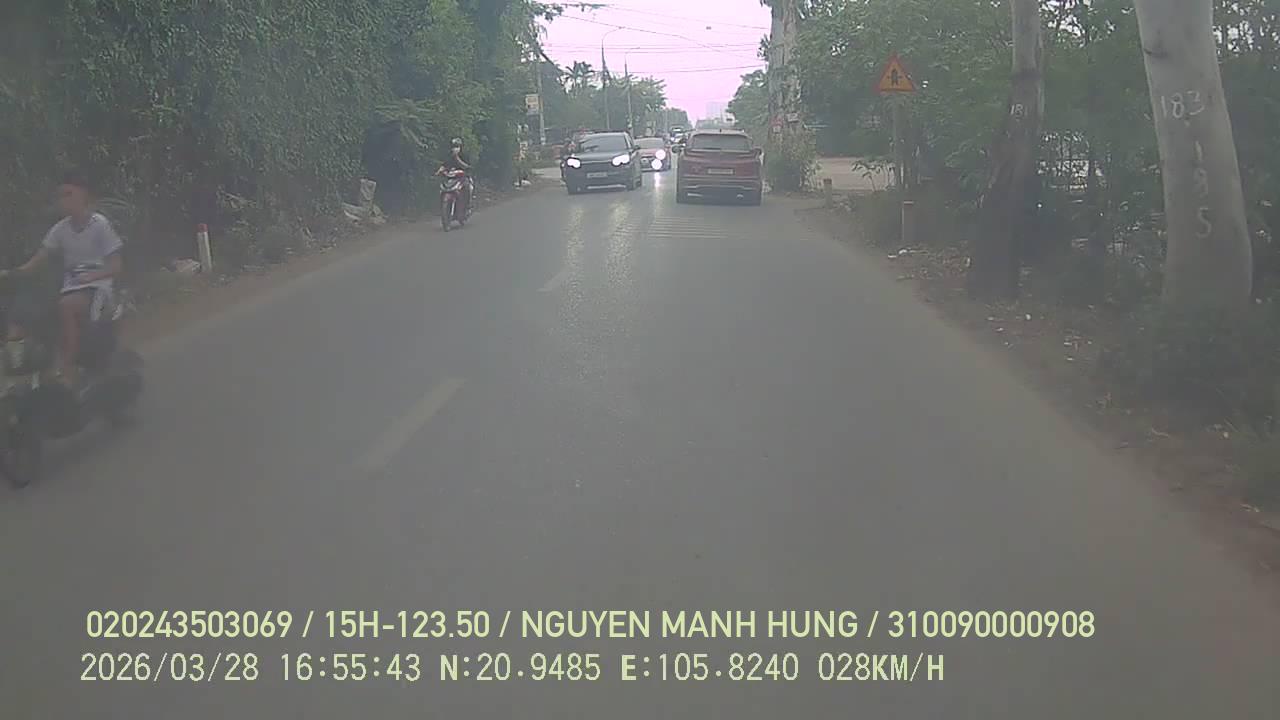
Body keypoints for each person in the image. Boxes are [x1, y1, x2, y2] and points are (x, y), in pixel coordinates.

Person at [2, 169, 123, 390]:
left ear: (83, 195)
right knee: (39, 310)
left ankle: (67, 370)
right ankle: (40, 369)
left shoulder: (100, 225)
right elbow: (37, 260)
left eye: (69, 194)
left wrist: (92, 276)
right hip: (71, 288)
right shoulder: (60, 229)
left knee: (66, 306)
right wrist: (11, 274)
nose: (63, 200)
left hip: (97, 287)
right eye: (60, 196)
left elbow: (116, 266)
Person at [437, 137, 473, 213]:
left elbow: (467, 166)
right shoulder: (449, 155)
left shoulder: (465, 155)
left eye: (457, 146)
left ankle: (467, 206)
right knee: (442, 188)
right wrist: (440, 171)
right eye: (453, 146)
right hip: (451, 178)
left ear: (461, 147)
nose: (455, 148)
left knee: (468, 187)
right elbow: (444, 165)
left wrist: (457, 158)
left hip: (462, 178)